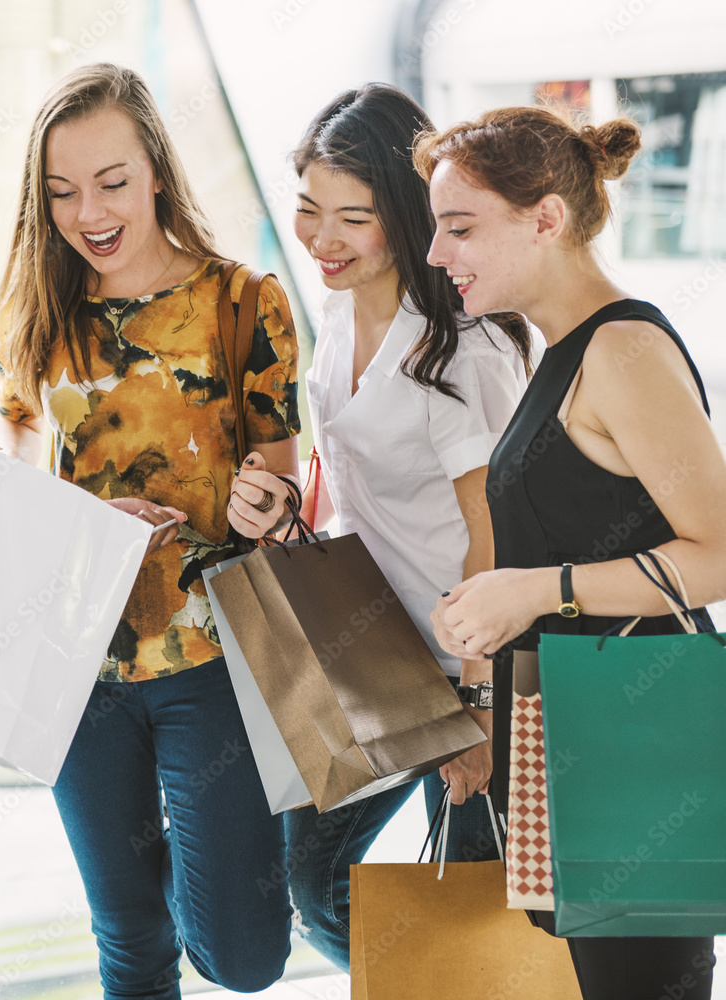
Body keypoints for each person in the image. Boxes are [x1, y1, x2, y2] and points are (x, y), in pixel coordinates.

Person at [0, 63, 300, 1000]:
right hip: (76, 668)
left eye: (111, 182)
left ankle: (187, 857)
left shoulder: (246, 302)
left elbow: (283, 486)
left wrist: (264, 504)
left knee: (246, 958)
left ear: (156, 172)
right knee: (126, 940)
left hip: (212, 665)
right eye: (62, 192)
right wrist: (81, 522)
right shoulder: (37, 318)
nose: (87, 211)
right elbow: (8, 496)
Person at [417, 106, 721, 999]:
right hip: (588, 729)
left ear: (546, 220)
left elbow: (722, 552)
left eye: (460, 227)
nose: (438, 255)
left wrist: (535, 591)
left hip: (635, 739)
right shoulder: (566, 351)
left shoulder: (621, 350)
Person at [284, 83, 532, 970]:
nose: (323, 240)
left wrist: (475, 705)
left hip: (478, 664)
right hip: (378, 654)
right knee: (312, 883)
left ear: (407, 213)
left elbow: (491, 538)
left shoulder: (464, 347)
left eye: (353, 216)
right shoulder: (336, 308)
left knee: (471, 919)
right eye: (310, 209)